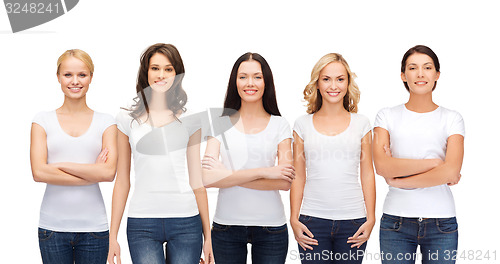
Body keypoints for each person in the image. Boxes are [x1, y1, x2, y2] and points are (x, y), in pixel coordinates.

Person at [107, 43, 213, 264]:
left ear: (177, 74)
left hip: (186, 221)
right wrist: (112, 236)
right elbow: (122, 181)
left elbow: (197, 181)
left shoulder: (191, 119)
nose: (161, 75)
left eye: (168, 69)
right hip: (142, 224)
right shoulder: (126, 119)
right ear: (146, 72)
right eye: (155, 68)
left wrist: (208, 236)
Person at [373, 45, 464, 264]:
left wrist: (400, 180)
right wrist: (434, 164)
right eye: (413, 68)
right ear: (404, 75)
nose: (420, 74)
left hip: (441, 222)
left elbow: (451, 170)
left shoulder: (452, 118)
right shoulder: (386, 116)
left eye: (427, 67)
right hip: (396, 222)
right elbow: (382, 167)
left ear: (437, 74)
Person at [202, 52, 294, 264]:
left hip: (271, 227)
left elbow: (284, 182)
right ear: (235, 82)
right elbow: (207, 179)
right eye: (243, 76)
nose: (249, 83)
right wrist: (265, 171)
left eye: (257, 77)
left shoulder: (280, 125)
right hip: (226, 227)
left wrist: (227, 174)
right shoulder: (219, 122)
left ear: (266, 81)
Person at [30, 49, 117, 264]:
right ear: (58, 77)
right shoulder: (42, 121)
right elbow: (39, 172)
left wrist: (58, 167)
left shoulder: (107, 122)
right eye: (68, 74)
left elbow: (108, 173)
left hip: (94, 229)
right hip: (52, 229)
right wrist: (91, 172)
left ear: (91, 77)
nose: (75, 81)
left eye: (82, 75)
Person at [290, 53, 376, 263]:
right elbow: (298, 176)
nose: (333, 86)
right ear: (317, 84)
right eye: (326, 79)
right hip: (312, 221)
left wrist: (371, 218)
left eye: (340, 79)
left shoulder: (362, 124)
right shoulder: (302, 125)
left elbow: (367, 173)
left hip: (353, 221)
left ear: (348, 83)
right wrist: (293, 218)